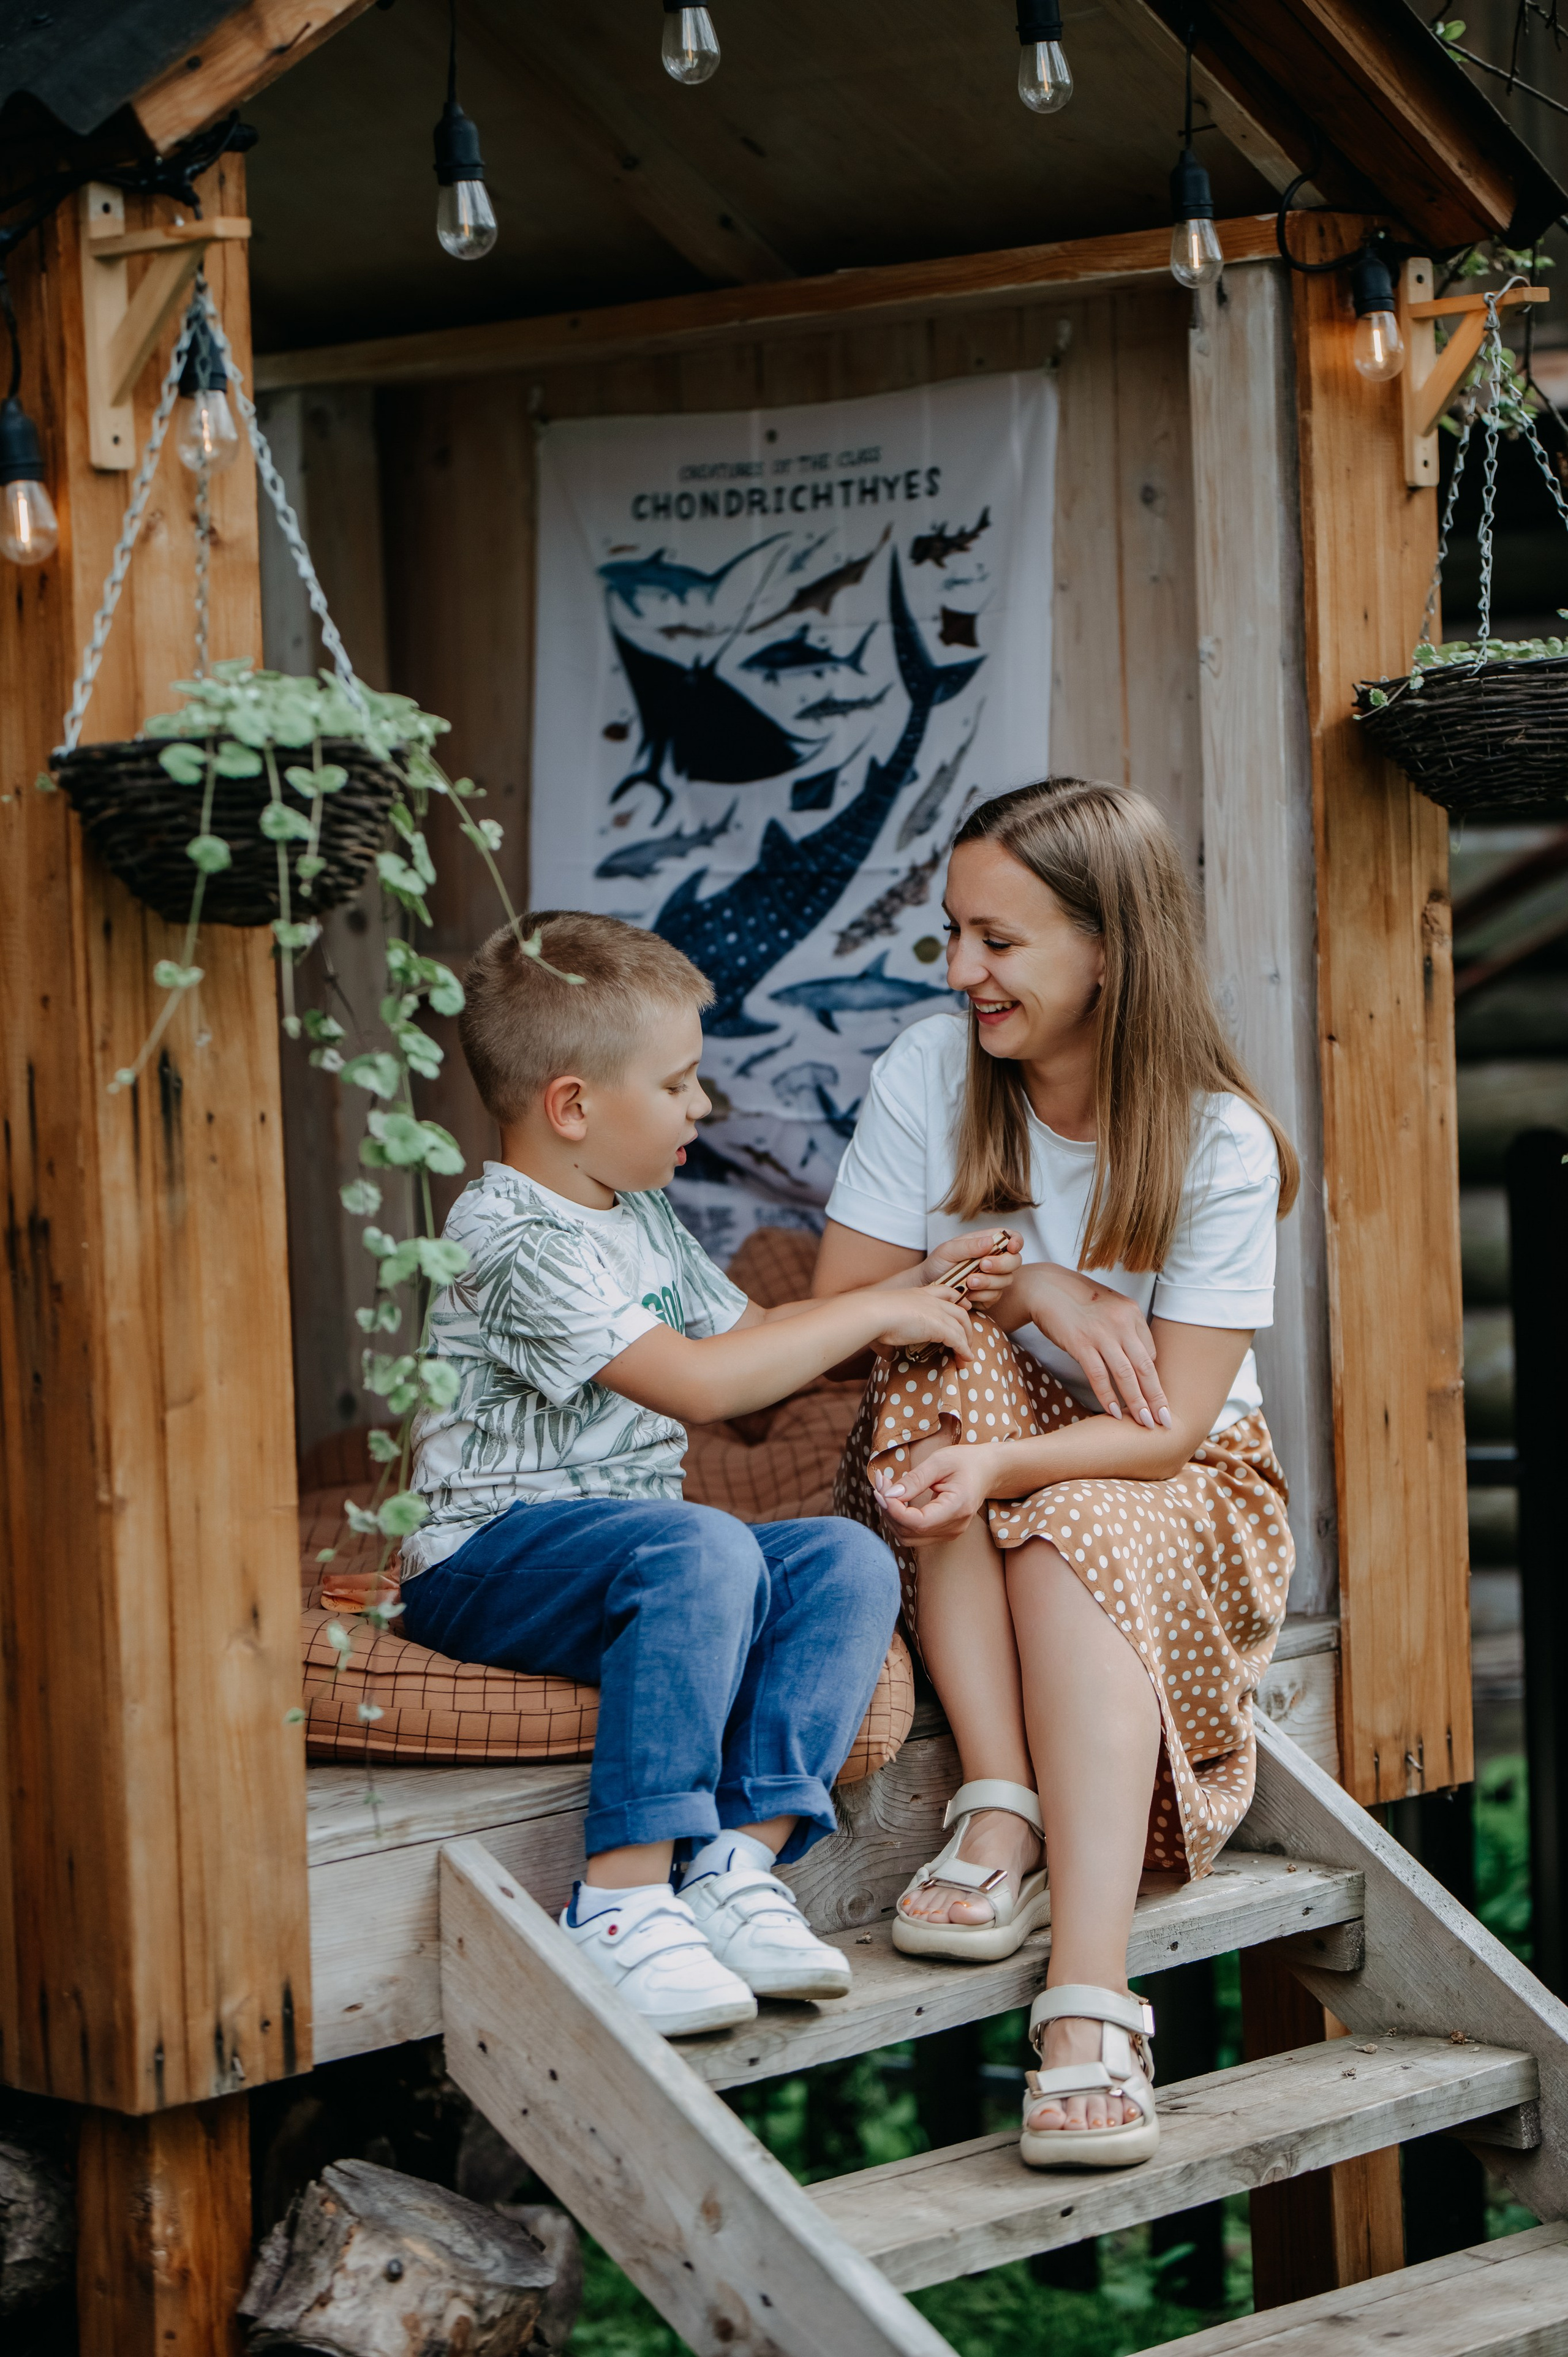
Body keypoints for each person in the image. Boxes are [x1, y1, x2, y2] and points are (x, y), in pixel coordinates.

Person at [380, 911, 979, 2040]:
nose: (703, 1108)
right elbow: (706, 1386)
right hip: (490, 1557)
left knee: (845, 1560)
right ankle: (616, 1901)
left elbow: (755, 1331)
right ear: (574, 1107)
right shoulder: (507, 1231)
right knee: (704, 1542)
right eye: (681, 1084)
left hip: (638, 1553)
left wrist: (914, 1287)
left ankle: (733, 1867)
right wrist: (881, 1306)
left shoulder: (641, 1211)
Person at [815, 778, 1298, 2170]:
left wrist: (1012, 1460)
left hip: (1183, 1487)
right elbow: (848, 1302)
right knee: (937, 1342)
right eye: (954, 936)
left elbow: (1168, 1430)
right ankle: (999, 1798)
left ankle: (1086, 1993)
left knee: (1071, 1504)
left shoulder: (1211, 1136)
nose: (963, 971)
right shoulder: (929, 1069)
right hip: (955, 1460)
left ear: (1108, 948)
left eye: (998, 941)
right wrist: (1030, 1282)